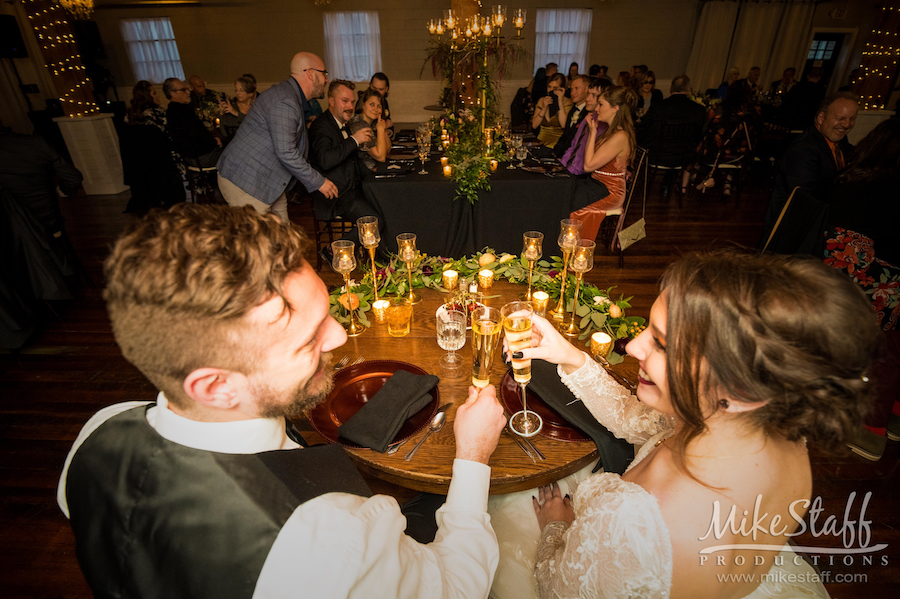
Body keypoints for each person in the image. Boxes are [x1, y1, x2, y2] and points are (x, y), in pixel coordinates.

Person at [57, 203, 508, 598]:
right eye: (307, 339)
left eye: (327, 313)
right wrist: (472, 455)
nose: (337, 336)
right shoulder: (329, 540)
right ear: (215, 386)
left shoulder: (97, 433)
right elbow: (455, 587)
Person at [488, 251, 879, 599]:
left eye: (661, 343)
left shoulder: (639, 523)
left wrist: (557, 528)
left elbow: (558, 587)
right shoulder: (780, 424)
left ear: (740, 390)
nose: (634, 346)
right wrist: (570, 356)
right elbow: (641, 422)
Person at [824, 119, 900, 461]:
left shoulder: (855, 185)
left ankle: (871, 430)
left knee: (881, 355)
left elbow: (841, 250)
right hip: (888, 285)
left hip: (871, 286)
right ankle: (891, 419)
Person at [217, 52, 338, 222]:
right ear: (310, 73)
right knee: (258, 244)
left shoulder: (291, 96)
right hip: (246, 181)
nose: (326, 80)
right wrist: (319, 181)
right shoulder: (286, 101)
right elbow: (286, 151)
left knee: (283, 237)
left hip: (268, 179)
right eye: (324, 73)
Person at [761, 92, 859, 248]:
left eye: (852, 119)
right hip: (795, 233)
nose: (847, 125)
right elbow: (807, 200)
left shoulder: (838, 141)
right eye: (841, 119)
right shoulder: (803, 150)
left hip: (817, 224)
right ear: (821, 118)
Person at [308, 80, 381, 246]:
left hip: (351, 189)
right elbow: (325, 160)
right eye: (345, 101)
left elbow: (353, 159)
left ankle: (381, 255)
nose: (350, 106)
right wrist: (354, 140)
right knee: (373, 221)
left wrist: (375, 176)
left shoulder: (343, 125)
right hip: (336, 195)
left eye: (353, 102)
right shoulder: (321, 125)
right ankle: (335, 250)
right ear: (331, 101)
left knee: (384, 203)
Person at [569, 85, 636, 243]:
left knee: (572, 204)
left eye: (601, 104)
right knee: (566, 191)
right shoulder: (611, 131)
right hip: (596, 183)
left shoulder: (620, 136)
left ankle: (574, 251)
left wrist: (592, 132)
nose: (597, 108)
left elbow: (588, 165)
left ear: (615, 109)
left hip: (610, 190)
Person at [639, 75, 707, 195]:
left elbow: (643, 128)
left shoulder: (659, 107)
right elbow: (699, 136)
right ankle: (669, 182)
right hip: (684, 158)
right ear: (689, 89)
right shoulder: (698, 110)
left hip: (656, 156)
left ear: (671, 89)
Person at [691, 81, 759, 196]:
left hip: (715, 154)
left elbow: (705, 128)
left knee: (703, 143)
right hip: (740, 156)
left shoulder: (719, 108)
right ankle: (728, 183)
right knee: (734, 145)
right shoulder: (753, 112)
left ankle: (693, 175)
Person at [163, 77, 223, 168]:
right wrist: (214, 141)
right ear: (173, 93)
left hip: (189, 158)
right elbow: (198, 135)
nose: (188, 92)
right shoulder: (183, 111)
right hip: (202, 157)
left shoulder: (170, 111)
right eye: (183, 90)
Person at [559, 80, 606, 176]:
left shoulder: (603, 125)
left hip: (584, 175)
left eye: (594, 95)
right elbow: (573, 147)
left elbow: (590, 162)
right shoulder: (587, 119)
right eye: (588, 94)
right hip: (570, 170)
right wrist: (562, 166)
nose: (588, 99)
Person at [348, 88, 391, 172]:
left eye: (379, 106)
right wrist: (380, 130)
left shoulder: (373, 123)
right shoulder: (359, 125)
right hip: (365, 174)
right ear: (363, 105)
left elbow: (388, 150)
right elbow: (381, 157)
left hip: (375, 169)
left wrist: (383, 129)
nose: (376, 109)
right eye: (372, 104)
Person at [553, 75, 591, 158]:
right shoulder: (573, 110)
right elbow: (565, 136)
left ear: (587, 89)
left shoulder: (589, 113)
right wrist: (554, 155)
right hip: (563, 155)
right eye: (572, 89)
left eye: (576, 88)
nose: (572, 93)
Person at [530, 73, 571, 149]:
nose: (551, 90)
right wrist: (544, 108)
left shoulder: (567, 102)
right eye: (549, 87)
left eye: (555, 88)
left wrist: (560, 103)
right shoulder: (542, 100)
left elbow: (564, 125)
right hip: (541, 143)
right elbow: (534, 125)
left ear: (562, 89)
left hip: (558, 145)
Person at [218, 75, 258, 142]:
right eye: (236, 90)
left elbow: (255, 126)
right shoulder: (231, 108)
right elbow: (224, 133)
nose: (238, 93)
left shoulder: (256, 108)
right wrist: (221, 113)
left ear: (250, 94)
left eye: (241, 90)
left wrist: (236, 113)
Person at [356, 73, 394, 138]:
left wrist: (388, 130)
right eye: (372, 104)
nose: (377, 92)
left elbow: (388, 124)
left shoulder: (384, 102)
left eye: (380, 89)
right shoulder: (362, 101)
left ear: (386, 89)